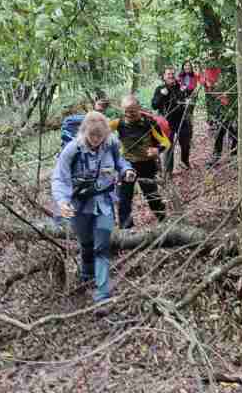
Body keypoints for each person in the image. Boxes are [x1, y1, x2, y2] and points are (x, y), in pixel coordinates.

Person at [52, 111, 136, 310]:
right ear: (85, 132)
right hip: (79, 206)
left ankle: (102, 296)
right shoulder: (72, 150)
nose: (97, 140)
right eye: (93, 136)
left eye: (101, 136)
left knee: (102, 248)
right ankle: (87, 276)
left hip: (104, 202)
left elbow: (120, 162)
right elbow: (59, 178)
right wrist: (62, 202)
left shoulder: (111, 144)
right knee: (86, 244)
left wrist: (127, 170)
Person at [110, 95, 170, 228]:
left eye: (132, 110)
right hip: (127, 165)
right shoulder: (118, 123)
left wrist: (157, 150)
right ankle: (126, 229)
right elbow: (100, 129)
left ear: (139, 109)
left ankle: (163, 221)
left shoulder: (149, 124)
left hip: (146, 165)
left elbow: (166, 142)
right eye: (126, 111)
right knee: (124, 198)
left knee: (152, 196)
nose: (129, 114)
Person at [152, 67, 192, 173]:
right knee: (168, 146)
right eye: (168, 74)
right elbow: (154, 105)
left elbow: (187, 98)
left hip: (181, 120)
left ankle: (184, 162)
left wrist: (187, 99)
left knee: (185, 143)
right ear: (164, 76)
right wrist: (161, 95)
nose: (171, 76)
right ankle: (168, 171)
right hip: (167, 122)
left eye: (173, 74)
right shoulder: (160, 89)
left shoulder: (180, 87)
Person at [207, 58, 239, 167]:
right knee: (220, 133)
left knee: (235, 134)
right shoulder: (223, 79)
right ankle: (216, 156)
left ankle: (234, 156)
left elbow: (238, 95)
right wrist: (216, 92)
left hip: (235, 112)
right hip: (224, 112)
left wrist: (229, 96)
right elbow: (216, 93)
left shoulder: (237, 79)